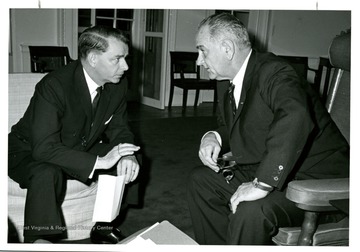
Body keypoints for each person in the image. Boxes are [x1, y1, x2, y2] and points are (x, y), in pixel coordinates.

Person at [187, 13, 349, 245]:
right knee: (200, 182)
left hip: (316, 182)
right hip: (272, 168)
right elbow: (231, 125)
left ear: (227, 48)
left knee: (250, 210)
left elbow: (295, 116)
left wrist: (262, 183)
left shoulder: (276, 72)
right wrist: (214, 137)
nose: (198, 61)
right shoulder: (227, 82)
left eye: (202, 51)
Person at [8, 25, 141, 244]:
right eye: (117, 59)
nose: (125, 66)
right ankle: (40, 239)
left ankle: (103, 225)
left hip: (76, 146)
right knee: (46, 173)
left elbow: (121, 130)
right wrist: (100, 161)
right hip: (28, 150)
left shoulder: (118, 85)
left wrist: (126, 154)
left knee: (132, 157)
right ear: (93, 59)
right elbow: (44, 149)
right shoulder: (54, 86)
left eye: (126, 58)